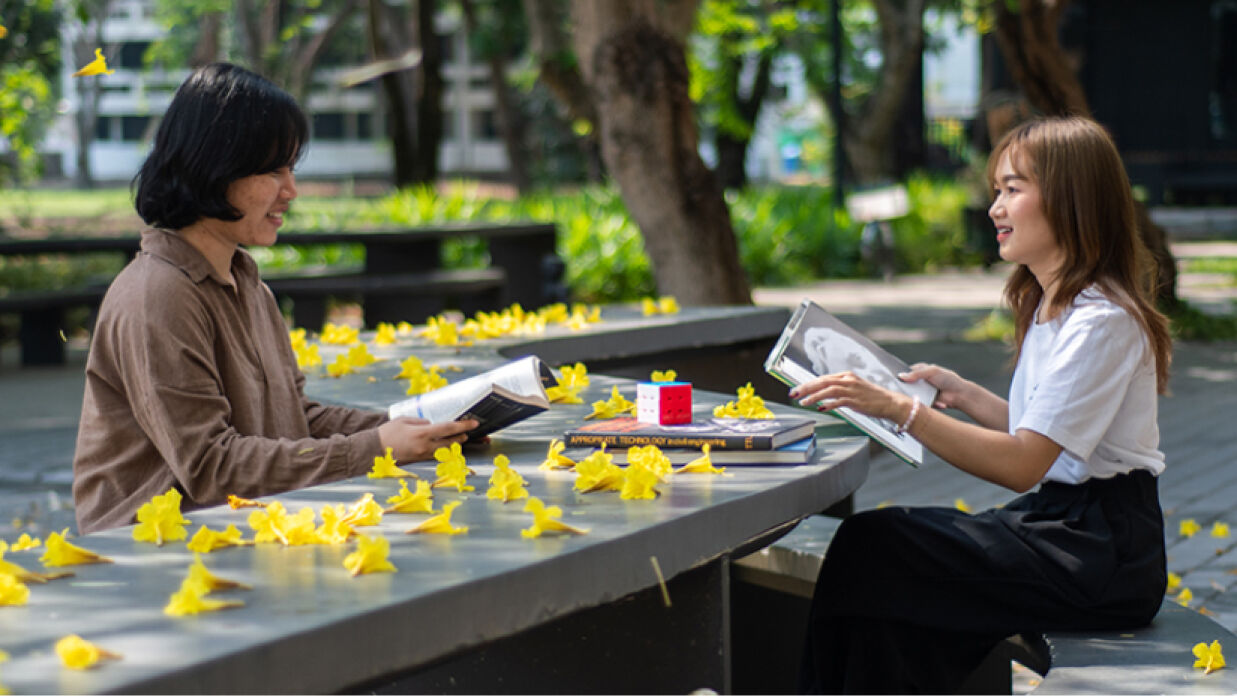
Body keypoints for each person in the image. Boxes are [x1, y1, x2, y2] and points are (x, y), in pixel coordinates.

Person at [788, 116, 1173, 694]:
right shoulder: (1054, 305)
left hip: (1102, 552)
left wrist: (903, 411)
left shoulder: (1102, 322)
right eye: (997, 190)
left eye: (1012, 189)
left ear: (1072, 200)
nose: (995, 208)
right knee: (881, 570)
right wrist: (963, 394)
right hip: (1063, 526)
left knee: (877, 546)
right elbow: (1044, 433)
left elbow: (1023, 463)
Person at [72, 63, 475, 534]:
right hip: (156, 558)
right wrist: (376, 446)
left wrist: (411, 424)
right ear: (214, 167)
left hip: (243, 530)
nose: (291, 191)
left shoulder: (248, 285)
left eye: (292, 169)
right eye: (273, 171)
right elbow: (210, 467)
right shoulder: (157, 296)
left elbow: (294, 418)